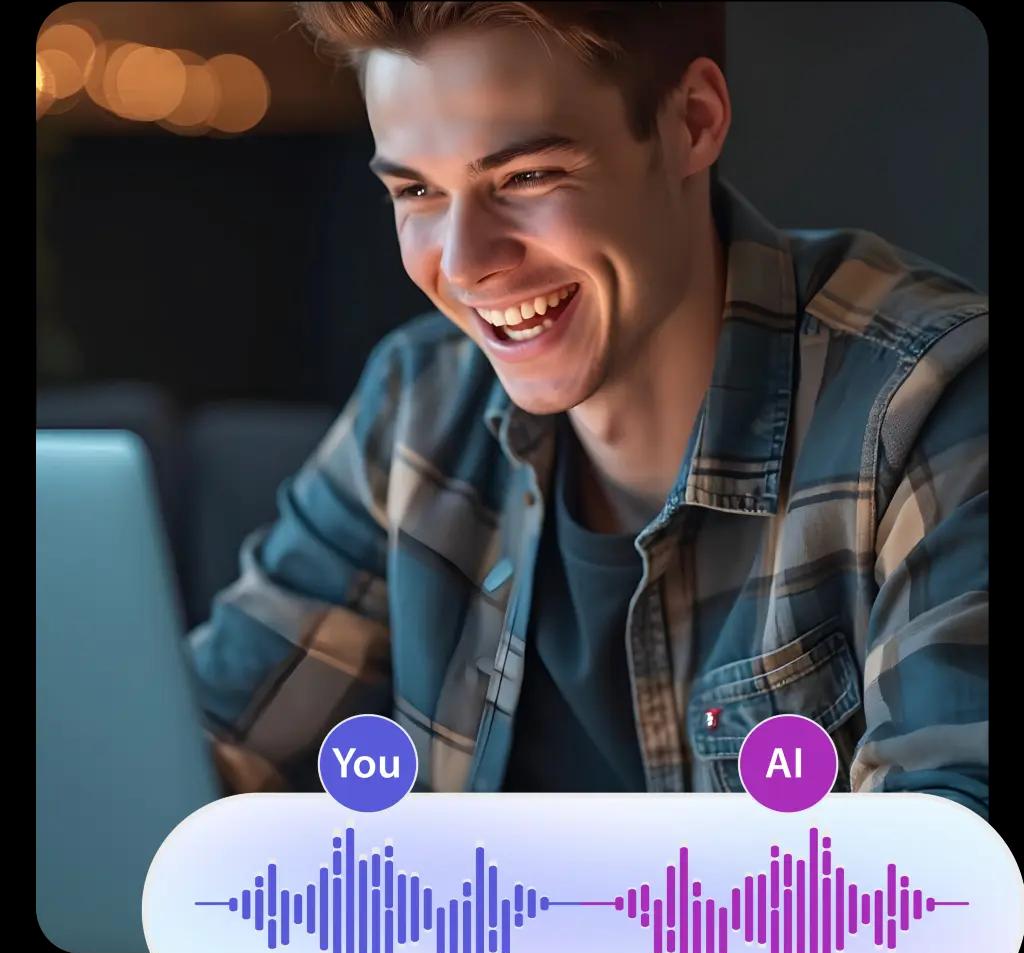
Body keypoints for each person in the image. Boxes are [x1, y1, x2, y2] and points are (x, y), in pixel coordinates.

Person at [189, 1, 988, 816]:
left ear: (693, 123)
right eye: (419, 191)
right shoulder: (418, 402)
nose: (465, 265)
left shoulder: (931, 402)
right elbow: (197, 755)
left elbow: (942, 894)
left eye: (527, 177)